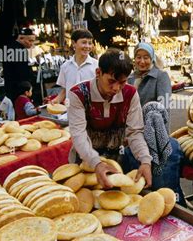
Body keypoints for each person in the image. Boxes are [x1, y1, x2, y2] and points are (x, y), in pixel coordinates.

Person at [68, 49, 183, 202]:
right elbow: (78, 135)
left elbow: (135, 132)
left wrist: (145, 160)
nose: (116, 88)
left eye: (122, 82)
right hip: (85, 163)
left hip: (117, 163)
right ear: (98, 72)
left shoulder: (130, 94)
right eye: (111, 81)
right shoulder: (79, 94)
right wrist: (96, 163)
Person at [51, 29, 98, 105]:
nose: (87, 46)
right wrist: (57, 100)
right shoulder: (65, 67)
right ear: (73, 43)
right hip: (70, 110)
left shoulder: (97, 66)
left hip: (91, 109)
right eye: (84, 42)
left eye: (90, 43)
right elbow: (65, 90)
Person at [127, 42, 172, 109]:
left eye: (146, 58)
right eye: (138, 57)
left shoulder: (161, 76)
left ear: (152, 59)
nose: (142, 61)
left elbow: (164, 107)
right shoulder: (131, 78)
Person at [2, 27, 36, 102]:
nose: (31, 43)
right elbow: (22, 72)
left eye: (33, 41)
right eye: (29, 40)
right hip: (19, 88)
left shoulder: (8, 47)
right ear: (21, 38)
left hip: (10, 86)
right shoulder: (20, 50)